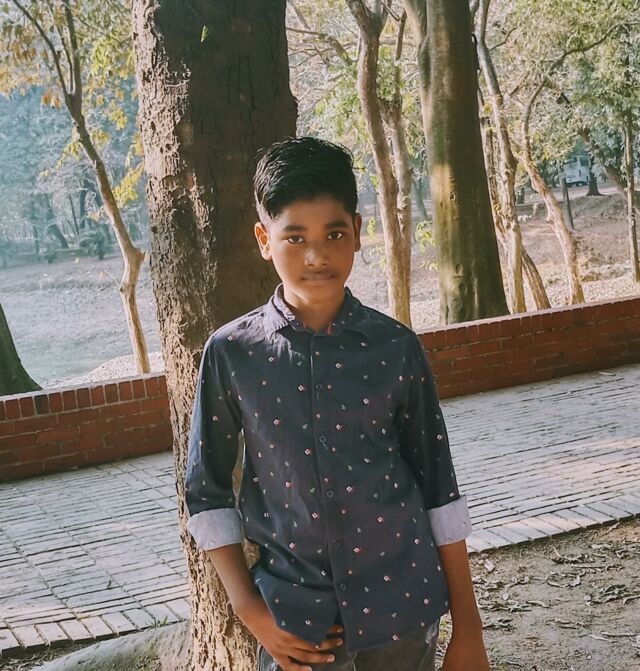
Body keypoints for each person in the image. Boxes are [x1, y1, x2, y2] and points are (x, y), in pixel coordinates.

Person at [185, 137, 490, 671]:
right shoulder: (232, 353)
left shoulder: (395, 347)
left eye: (334, 234)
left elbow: (439, 488)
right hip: (294, 619)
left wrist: (469, 631)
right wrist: (250, 611)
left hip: (402, 610)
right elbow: (207, 493)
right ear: (264, 239)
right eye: (294, 237)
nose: (317, 255)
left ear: (358, 231)